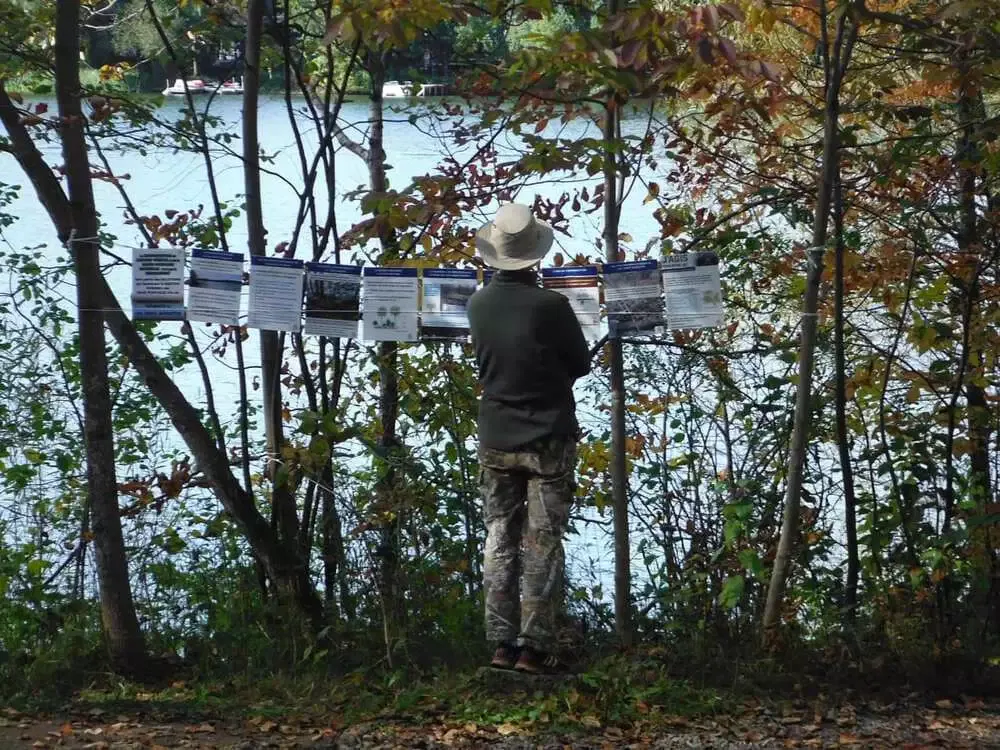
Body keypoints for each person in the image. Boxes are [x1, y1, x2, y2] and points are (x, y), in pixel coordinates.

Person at [466, 203, 591, 675]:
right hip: (548, 438)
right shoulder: (551, 306)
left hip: (496, 434)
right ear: (533, 256)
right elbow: (579, 364)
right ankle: (533, 648)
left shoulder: (477, 303)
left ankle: (500, 643)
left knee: (498, 536)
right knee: (541, 541)